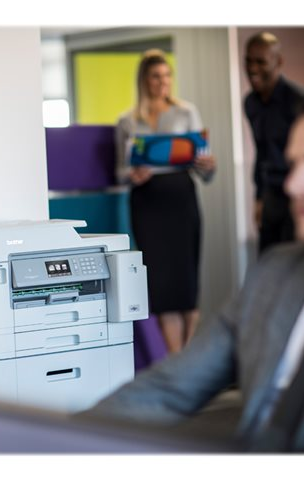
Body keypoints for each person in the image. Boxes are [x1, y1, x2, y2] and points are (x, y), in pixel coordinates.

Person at [86, 88, 304, 452]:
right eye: (294, 164)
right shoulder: (275, 274)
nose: (292, 184)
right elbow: (168, 389)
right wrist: (50, 441)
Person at [115, 49, 216, 353]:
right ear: (144, 80)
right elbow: (119, 172)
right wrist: (132, 175)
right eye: (156, 77)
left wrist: (208, 165)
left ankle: (187, 360)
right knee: (161, 286)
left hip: (181, 199)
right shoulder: (127, 121)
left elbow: (206, 172)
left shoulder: (186, 112)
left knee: (187, 283)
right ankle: (176, 359)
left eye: (167, 75)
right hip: (147, 204)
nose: (163, 82)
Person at [244, 32, 304, 253]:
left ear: (278, 62)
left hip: (296, 194)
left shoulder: (300, 101)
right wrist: (259, 198)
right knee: (268, 258)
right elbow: (261, 151)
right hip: (270, 194)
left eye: (260, 62)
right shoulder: (250, 103)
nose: (252, 68)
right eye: (248, 61)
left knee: (296, 260)